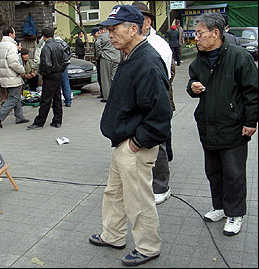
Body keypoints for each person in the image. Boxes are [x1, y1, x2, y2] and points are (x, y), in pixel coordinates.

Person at [88, 5, 173, 267]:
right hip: (122, 142)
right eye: (108, 29)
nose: (109, 34)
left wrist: (136, 143)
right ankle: (112, 235)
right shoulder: (129, 55)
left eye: (115, 29)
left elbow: (161, 113)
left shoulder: (146, 61)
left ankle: (148, 247)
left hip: (135, 145)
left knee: (137, 198)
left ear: (133, 29)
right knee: (113, 192)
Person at [187, 13, 258, 236]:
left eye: (199, 33)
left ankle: (235, 213)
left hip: (234, 127)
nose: (195, 38)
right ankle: (219, 207)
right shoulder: (199, 59)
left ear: (216, 33)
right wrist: (192, 87)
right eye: (195, 34)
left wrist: (250, 121)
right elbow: (191, 81)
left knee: (234, 173)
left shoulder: (239, 57)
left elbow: (252, 93)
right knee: (214, 171)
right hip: (208, 127)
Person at [133, 1, 174, 204]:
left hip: (154, 98)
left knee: (158, 143)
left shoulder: (157, 45)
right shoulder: (136, 42)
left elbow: (165, 76)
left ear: (147, 22)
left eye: (135, 20)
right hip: (141, 99)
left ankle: (161, 185)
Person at [27, 27, 66, 130]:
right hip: (58, 73)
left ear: (44, 37)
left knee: (46, 99)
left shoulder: (46, 48)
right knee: (57, 98)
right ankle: (57, 120)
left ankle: (39, 122)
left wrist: (44, 73)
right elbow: (65, 59)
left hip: (50, 75)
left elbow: (47, 64)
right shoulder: (59, 45)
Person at [0, 26, 29, 128]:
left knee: (15, 96)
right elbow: (13, 63)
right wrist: (22, 71)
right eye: (14, 33)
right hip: (11, 75)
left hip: (4, 75)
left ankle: (19, 117)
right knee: (14, 97)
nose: (15, 35)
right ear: (10, 34)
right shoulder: (11, 46)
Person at [95, 26, 120, 103]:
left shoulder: (103, 36)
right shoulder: (116, 34)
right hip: (116, 57)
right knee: (114, 78)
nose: (100, 32)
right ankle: (117, 95)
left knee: (105, 78)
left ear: (104, 29)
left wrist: (99, 54)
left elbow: (97, 43)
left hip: (106, 58)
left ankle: (107, 97)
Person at [91, 27, 103, 99]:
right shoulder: (98, 40)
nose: (93, 36)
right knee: (100, 77)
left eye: (94, 34)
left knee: (101, 77)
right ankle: (102, 92)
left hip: (100, 60)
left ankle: (103, 92)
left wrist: (97, 58)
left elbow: (98, 50)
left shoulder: (99, 40)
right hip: (98, 60)